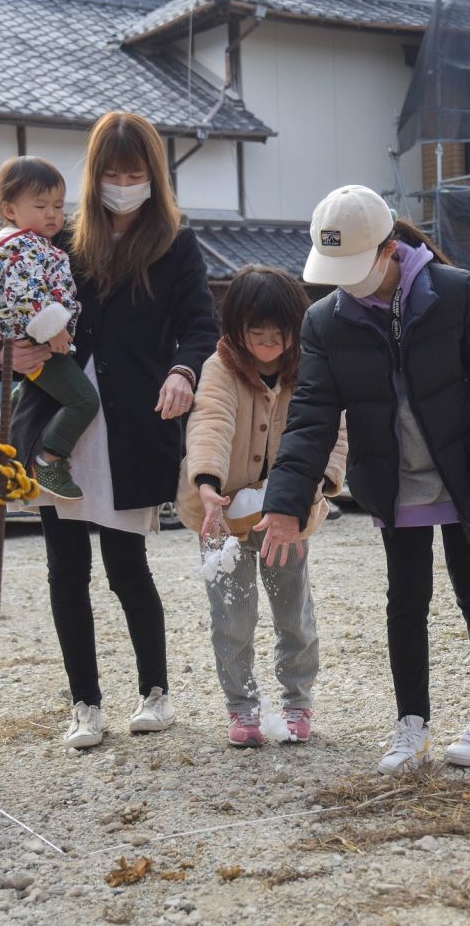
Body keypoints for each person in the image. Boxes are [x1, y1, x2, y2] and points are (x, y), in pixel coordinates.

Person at [255, 185, 470, 774]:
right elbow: (311, 417)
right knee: (405, 600)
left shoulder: (456, 293)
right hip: (393, 478)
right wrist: (285, 500)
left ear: (387, 249)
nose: (345, 282)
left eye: (355, 266)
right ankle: (411, 724)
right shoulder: (325, 321)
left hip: (463, 473)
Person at [0, 112, 218, 748]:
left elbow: (201, 326)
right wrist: (9, 356)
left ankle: (154, 691)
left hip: (128, 425)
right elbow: (9, 319)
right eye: (112, 173)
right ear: (95, 177)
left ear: (153, 175)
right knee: (65, 571)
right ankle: (84, 704)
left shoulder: (175, 242)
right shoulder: (58, 238)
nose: (122, 184)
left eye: (134, 173)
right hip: (58, 421)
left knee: (127, 567)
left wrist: (182, 370)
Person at [176, 265, 347, 747]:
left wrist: (321, 484)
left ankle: (297, 701)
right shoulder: (221, 366)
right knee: (232, 617)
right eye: (257, 333)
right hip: (222, 514)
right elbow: (210, 420)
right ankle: (242, 707)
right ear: (235, 329)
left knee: (294, 612)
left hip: (287, 515)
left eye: (280, 334)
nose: (269, 344)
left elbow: (332, 433)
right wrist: (207, 483)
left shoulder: (312, 365)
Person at [0, 157, 99, 498]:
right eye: (41, 205)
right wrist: (55, 330)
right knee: (83, 401)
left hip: (28, 343)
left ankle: (1, 434)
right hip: (41, 342)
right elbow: (31, 296)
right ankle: (50, 459)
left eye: (59, 205)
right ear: (10, 209)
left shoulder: (3, 246)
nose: (52, 214)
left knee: (32, 390)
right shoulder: (23, 247)